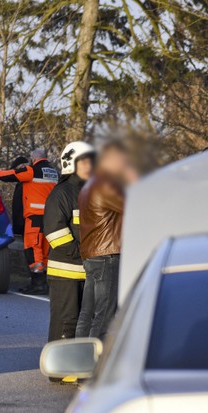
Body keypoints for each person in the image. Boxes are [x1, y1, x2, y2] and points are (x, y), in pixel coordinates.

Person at [75, 140, 137, 337]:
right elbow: (135, 205)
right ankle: (96, 361)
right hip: (107, 255)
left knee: (87, 312)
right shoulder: (107, 187)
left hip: (92, 255)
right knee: (104, 313)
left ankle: (79, 356)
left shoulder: (89, 187)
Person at [43, 141, 95, 341]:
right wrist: (85, 254)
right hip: (66, 273)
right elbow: (55, 233)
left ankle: (81, 368)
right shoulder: (61, 194)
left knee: (88, 325)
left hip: (90, 272)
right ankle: (61, 370)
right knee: (67, 322)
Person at [0, 149, 59, 294]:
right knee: (45, 250)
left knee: (33, 249)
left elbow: (12, 175)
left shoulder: (32, 170)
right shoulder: (54, 172)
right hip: (51, 218)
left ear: (34, 159)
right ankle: (45, 282)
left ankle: (38, 283)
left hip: (34, 217)